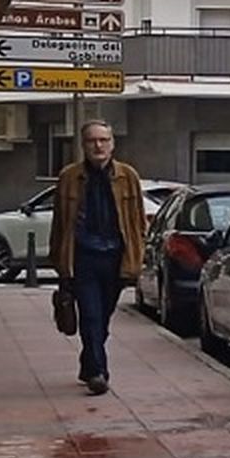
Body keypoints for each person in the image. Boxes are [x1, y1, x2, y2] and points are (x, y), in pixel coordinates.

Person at [49, 120, 147, 396]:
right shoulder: (70, 177)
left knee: (103, 317)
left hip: (116, 256)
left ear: (112, 144)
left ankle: (88, 361)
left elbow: (138, 220)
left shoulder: (128, 176)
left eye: (104, 140)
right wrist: (59, 262)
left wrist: (137, 256)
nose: (98, 145)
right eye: (92, 140)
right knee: (90, 316)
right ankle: (98, 373)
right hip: (83, 256)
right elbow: (60, 223)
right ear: (83, 145)